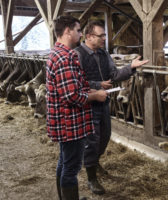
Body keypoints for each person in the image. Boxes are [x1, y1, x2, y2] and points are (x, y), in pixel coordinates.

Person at [75, 20, 148, 195]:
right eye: (101, 35)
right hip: (87, 105)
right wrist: (97, 84)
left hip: (104, 103)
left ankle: (95, 162)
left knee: (105, 136)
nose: (104, 38)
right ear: (89, 36)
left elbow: (114, 74)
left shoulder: (103, 54)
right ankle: (92, 178)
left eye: (104, 35)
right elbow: (76, 82)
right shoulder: (77, 55)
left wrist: (130, 67)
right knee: (91, 141)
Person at [46, 16, 108, 200]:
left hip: (64, 120)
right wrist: (96, 95)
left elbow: (71, 87)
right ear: (67, 31)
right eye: (78, 30)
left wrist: (89, 87)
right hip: (70, 122)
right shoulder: (65, 58)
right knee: (71, 168)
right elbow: (72, 96)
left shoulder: (57, 53)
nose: (81, 34)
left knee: (64, 162)